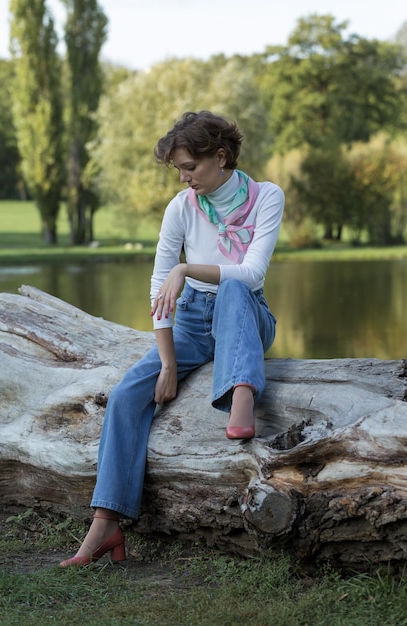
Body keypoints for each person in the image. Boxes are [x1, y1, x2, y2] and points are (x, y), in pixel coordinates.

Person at [59, 110, 284, 567]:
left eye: (190, 167)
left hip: (245, 316)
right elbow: (159, 284)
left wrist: (186, 268)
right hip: (191, 322)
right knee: (125, 395)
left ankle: (242, 390)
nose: (184, 178)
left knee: (235, 285)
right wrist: (166, 363)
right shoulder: (182, 207)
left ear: (220, 157)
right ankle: (106, 522)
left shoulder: (266, 197)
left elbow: (252, 271)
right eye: (179, 169)